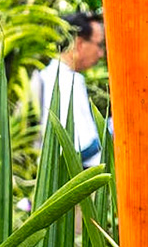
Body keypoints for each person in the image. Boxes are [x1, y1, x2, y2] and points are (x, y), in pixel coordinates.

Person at [29, 11, 105, 166]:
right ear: (79, 44)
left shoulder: (49, 74)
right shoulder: (67, 81)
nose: (101, 53)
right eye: (99, 45)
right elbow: (79, 147)